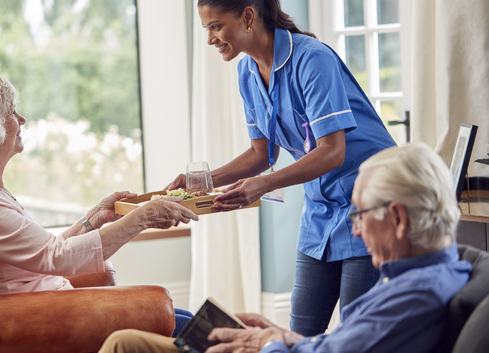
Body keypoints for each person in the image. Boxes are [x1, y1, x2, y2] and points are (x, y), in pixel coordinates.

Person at [165, 0, 397, 335]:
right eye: (206, 28)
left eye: (215, 26)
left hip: (369, 200)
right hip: (320, 209)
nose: (210, 38)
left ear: (247, 17)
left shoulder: (312, 59)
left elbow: (333, 152)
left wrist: (262, 185)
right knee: (299, 331)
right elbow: (262, 153)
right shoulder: (247, 71)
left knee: (353, 333)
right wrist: (205, 181)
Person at [99, 142, 472, 353]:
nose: (355, 232)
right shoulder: (424, 277)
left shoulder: (414, 297)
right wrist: (284, 336)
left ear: (399, 218)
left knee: (125, 345)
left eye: (358, 215)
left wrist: (266, 345)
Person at [0, 72, 198, 335]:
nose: (21, 119)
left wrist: (94, 218)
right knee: (185, 328)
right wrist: (143, 217)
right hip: (40, 319)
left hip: (51, 306)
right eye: (12, 112)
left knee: (186, 319)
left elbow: (44, 251)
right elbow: (57, 257)